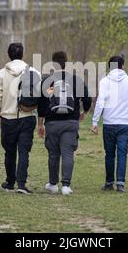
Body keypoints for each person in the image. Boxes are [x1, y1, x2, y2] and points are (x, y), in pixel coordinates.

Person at [37, 52, 92, 196]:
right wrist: (84, 113)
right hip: (71, 122)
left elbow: (41, 105)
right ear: (66, 64)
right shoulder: (76, 80)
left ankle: (53, 184)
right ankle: (66, 186)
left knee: (53, 154)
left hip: (52, 123)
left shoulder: (47, 81)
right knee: (68, 153)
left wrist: (40, 124)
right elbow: (87, 99)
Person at [0, 43, 40, 194]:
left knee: (10, 152)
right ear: (23, 54)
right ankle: (21, 184)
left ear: (9, 54)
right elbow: (40, 94)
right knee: (24, 152)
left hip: (8, 118)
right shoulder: (33, 71)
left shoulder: (1, 74)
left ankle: (10, 182)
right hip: (27, 117)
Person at [91, 55, 128, 193]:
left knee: (109, 154)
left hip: (108, 123)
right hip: (125, 124)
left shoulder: (104, 81)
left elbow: (100, 102)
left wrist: (95, 122)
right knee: (122, 153)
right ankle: (120, 183)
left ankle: (109, 183)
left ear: (110, 67)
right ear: (123, 65)